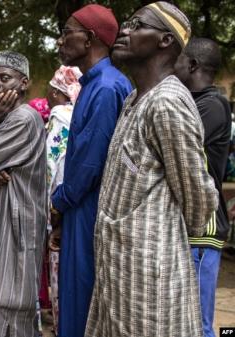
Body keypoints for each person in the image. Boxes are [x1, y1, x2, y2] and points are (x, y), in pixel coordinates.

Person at [86, 3, 219, 335]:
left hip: (149, 286)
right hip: (117, 277)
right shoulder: (135, 99)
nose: (124, 31)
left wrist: (149, 233)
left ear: (164, 40)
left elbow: (199, 203)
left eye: (137, 25)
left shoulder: (167, 102)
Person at [50, 5, 132, 337]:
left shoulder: (107, 87)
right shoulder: (95, 84)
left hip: (91, 211)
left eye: (67, 31)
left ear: (90, 38)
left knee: (83, 307)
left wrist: (59, 202)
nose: (60, 40)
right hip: (81, 210)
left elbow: (89, 164)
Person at [0, 51, 47, 337]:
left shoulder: (24, 118)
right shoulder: (6, 120)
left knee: (9, 309)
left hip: (16, 231)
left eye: (4, 78)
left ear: (24, 83)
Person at [175, 37, 231, 337]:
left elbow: (175, 143)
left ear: (193, 65)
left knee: (198, 323)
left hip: (203, 231)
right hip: (188, 229)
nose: (173, 67)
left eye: (179, 61)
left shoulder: (212, 105)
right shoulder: (194, 103)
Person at [45, 65, 82, 335]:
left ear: (58, 91)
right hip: (80, 211)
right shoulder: (82, 114)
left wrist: (54, 213)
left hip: (60, 213)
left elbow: (53, 168)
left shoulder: (59, 117)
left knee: (60, 289)